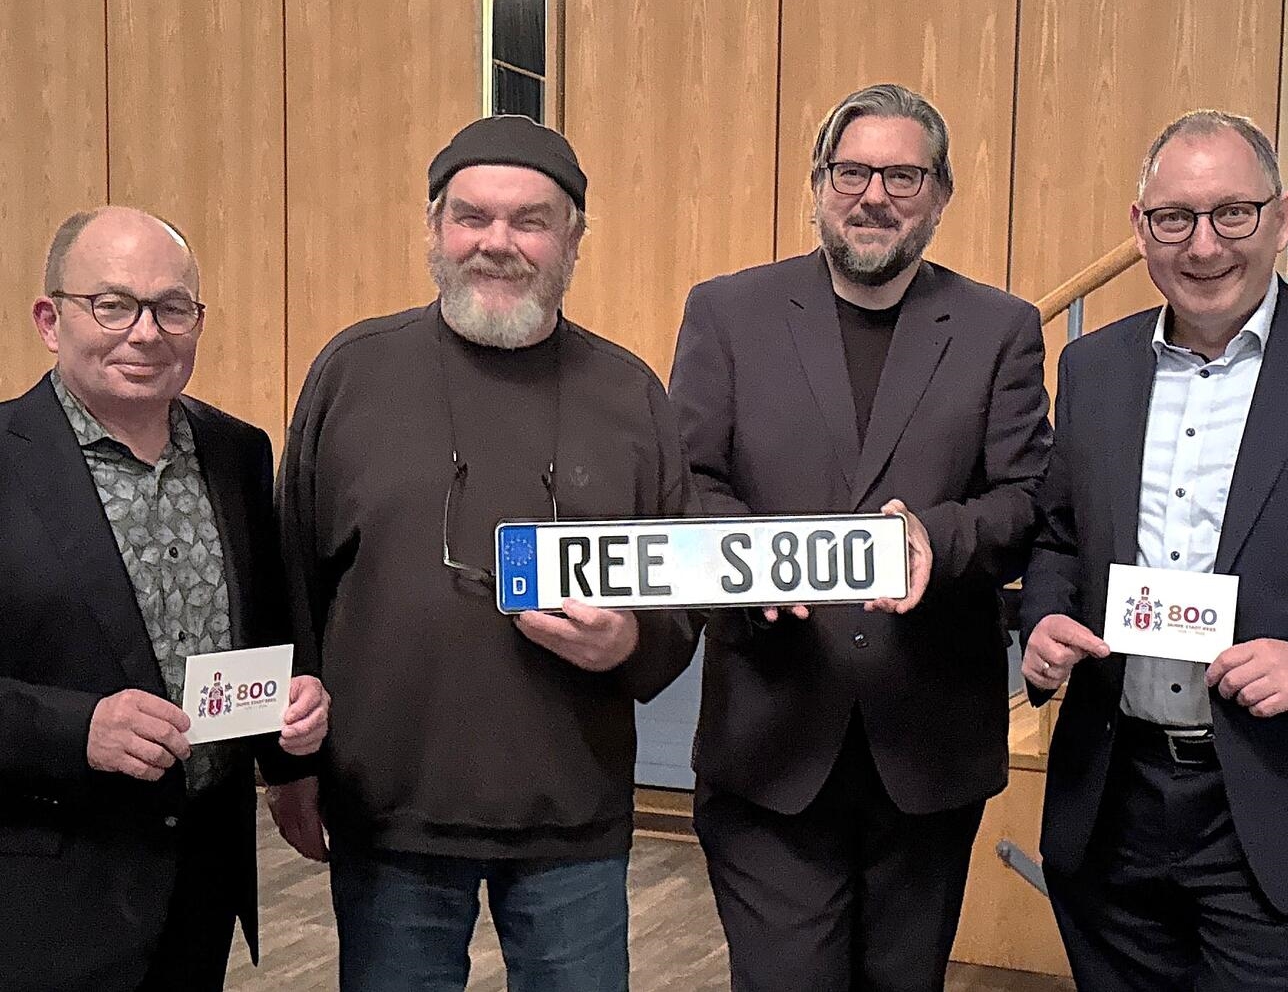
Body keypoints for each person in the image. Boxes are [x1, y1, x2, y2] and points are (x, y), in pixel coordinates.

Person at [274, 115, 697, 992]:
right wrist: (289, 767)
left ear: (573, 238)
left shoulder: (630, 395)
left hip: (571, 823)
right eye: (472, 217)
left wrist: (628, 643)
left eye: (529, 220)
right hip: (388, 813)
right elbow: (293, 582)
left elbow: (681, 601)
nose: (496, 243)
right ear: (434, 228)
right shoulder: (351, 374)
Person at [668, 83, 1052, 992]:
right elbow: (687, 482)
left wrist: (941, 537)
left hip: (928, 747)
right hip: (769, 737)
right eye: (853, 170)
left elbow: (1028, 498)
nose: (874, 193)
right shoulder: (727, 313)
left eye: (903, 175)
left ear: (941, 193)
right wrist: (745, 562)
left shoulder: (1000, 329)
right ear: (819, 182)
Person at [1020, 110, 1288, 990]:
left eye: (1233, 214)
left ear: (1282, 218)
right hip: (1112, 800)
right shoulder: (1092, 368)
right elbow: (1058, 535)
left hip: (1280, 804)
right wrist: (1044, 616)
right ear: (1141, 229)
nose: (1203, 246)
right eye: (1174, 219)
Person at [0, 206, 329, 992]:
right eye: (112, 304)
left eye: (171, 307)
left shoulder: (237, 452)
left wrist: (293, 720)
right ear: (51, 319)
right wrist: (78, 728)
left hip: (200, 882)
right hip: (42, 891)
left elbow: (263, 627)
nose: (146, 333)